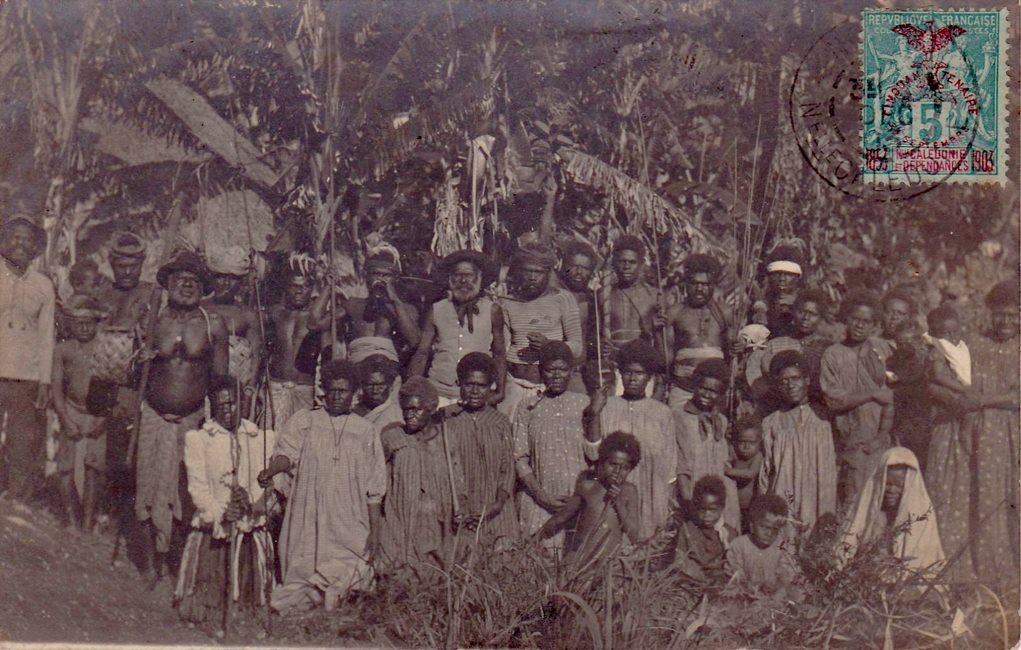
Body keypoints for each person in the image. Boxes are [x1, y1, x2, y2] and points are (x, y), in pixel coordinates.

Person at [258, 360, 386, 612]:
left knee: (352, 563)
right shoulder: (305, 421)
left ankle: (337, 603)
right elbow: (287, 455)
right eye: (332, 390)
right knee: (305, 565)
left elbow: (374, 488)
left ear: (354, 393)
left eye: (343, 391)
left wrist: (374, 530)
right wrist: (271, 470)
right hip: (310, 512)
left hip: (349, 515)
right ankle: (313, 600)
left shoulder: (366, 431)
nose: (337, 396)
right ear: (324, 391)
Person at [135, 252, 228, 582]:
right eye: (180, 280)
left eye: (194, 281)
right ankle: (150, 564)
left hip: (192, 419)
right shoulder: (152, 321)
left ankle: (176, 562)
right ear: (168, 284)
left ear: (203, 288)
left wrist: (218, 428)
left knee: (185, 491)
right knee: (147, 487)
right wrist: (140, 360)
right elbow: (133, 374)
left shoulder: (213, 325)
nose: (187, 285)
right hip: (154, 417)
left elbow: (221, 380)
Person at [175, 377, 276, 629]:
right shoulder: (200, 439)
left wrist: (250, 501)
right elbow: (198, 489)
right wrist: (221, 511)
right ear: (212, 406)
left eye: (232, 403)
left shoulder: (259, 438)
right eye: (220, 406)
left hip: (248, 527)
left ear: (242, 402)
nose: (227, 411)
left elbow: (269, 486)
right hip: (215, 530)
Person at [584, 340, 676, 539]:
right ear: (620, 374)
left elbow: (670, 469)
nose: (633, 378)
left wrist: (668, 506)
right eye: (627, 372)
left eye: (639, 373)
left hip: (651, 496)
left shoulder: (662, 413)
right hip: (614, 495)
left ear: (649, 377)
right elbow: (593, 453)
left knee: (647, 544)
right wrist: (595, 413)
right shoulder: (607, 406)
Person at [962, 281, 1019, 592]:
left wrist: (983, 400)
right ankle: (991, 574)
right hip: (983, 433)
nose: (1006, 321)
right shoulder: (976, 344)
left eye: (1013, 315)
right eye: (1000, 314)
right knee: (987, 498)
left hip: (1014, 430)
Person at [513, 341, 590, 549]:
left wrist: (579, 498)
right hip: (539, 502)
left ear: (571, 371)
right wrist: (541, 496)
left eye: (562, 370)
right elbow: (519, 458)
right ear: (541, 371)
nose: (556, 375)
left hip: (577, 501)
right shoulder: (527, 407)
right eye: (550, 370)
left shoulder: (584, 403)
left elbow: (594, 455)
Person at [820, 290, 893, 509]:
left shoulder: (882, 349)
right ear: (846, 319)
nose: (859, 325)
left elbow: (895, 388)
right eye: (855, 319)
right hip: (852, 439)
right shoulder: (833, 354)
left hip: (883, 436)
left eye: (866, 321)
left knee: (881, 499)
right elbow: (833, 400)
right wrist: (871, 394)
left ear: (875, 325)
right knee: (854, 500)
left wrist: (883, 433)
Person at [0, 211, 55, 502]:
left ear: (36, 247)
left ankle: (17, 500)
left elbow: (46, 337)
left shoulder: (44, 286)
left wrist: (45, 382)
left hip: (26, 377)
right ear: (3, 241)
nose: (20, 244)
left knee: (21, 442)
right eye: (14, 237)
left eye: (27, 239)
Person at [408, 249, 505, 407]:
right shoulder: (437, 309)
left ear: (479, 278)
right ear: (450, 279)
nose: (463, 280)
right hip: (439, 392)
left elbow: (499, 353)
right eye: (457, 275)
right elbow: (422, 352)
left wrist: (500, 391)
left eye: (469, 275)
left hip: (476, 395)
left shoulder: (492, 310)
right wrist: (412, 387)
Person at [442, 352, 518, 547]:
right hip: (461, 513)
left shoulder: (500, 422)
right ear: (459, 384)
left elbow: (508, 467)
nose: (475, 391)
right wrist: (456, 507)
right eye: (469, 384)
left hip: (497, 511)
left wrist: (497, 504)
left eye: (482, 385)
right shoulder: (447, 421)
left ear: (491, 386)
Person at [500, 243, 583, 420]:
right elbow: (502, 349)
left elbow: (577, 347)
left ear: (548, 272)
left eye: (538, 272)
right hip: (512, 385)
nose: (532, 277)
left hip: (546, 387)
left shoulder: (563, 299)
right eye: (527, 271)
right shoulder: (508, 302)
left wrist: (549, 346)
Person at [759, 351, 837, 535]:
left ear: (807, 380)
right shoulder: (772, 422)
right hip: (785, 494)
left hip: (819, 494)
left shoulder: (824, 417)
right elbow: (766, 470)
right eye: (784, 381)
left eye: (795, 378)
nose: (790, 385)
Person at [535, 431, 641, 566]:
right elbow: (560, 518)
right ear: (601, 462)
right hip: (582, 562)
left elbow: (634, 536)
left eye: (625, 468)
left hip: (609, 565)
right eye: (613, 464)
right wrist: (535, 539)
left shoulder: (629, 492)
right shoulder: (587, 488)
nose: (617, 471)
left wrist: (619, 504)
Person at [379, 377, 452, 566]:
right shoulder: (392, 437)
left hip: (433, 525)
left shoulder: (445, 440)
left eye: (415, 409)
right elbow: (375, 479)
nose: (408, 415)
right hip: (398, 523)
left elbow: (456, 483)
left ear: (431, 408)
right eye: (405, 409)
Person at [837, 447, 944, 575]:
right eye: (887, 483)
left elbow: (919, 559)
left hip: (904, 575)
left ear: (910, 484)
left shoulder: (921, 512)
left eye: (899, 485)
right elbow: (848, 540)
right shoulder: (867, 504)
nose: (892, 490)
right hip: (866, 571)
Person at [52, 295, 109, 531]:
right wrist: (65, 418)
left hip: (97, 412)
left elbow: (112, 387)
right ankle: (71, 518)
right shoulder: (63, 350)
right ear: (70, 324)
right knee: (65, 466)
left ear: (97, 323)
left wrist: (103, 418)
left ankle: (87, 521)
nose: (84, 327)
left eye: (89, 322)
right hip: (71, 409)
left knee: (93, 467)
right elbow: (56, 388)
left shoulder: (104, 349)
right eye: (79, 323)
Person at [310, 247, 420, 366]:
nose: (380, 279)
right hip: (357, 369)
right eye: (375, 274)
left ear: (396, 279)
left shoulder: (406, 309)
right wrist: (328, 286)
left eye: (386, 275)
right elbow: (314, 324)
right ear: (366, 276)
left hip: (388, 370)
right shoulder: (353, 305)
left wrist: (395, 301)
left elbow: (414, 341)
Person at [674, 358, 740, 531]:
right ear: (694, 385)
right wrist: (687, 498)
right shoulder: (679, 417)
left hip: (720, 492)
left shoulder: (721, 421)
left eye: (713, 391)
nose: (706, 394)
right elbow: (680, 464)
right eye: (703, 388)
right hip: (693, 490)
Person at [664, 253, 732, 408]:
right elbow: (666, 360)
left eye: (706, 284)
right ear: (686, 284)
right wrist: (656, 332)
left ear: (713, 285)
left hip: (715, 393)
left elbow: (732, 357)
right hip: (682, 388)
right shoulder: (674, 313)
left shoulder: (725, 313)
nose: (699, 289)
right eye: (694, 283)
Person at [202, 246, 263, 393]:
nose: (226, 283)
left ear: (241, 282)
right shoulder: (200, 308)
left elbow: (255, 356)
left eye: (233, 278)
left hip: (235, 388)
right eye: (221, 276)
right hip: (201, 384)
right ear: (212, 278)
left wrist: (250, 390)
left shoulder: (247, 314)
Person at [266, 264, 317, 429]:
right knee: (272, 434)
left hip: (304, 387)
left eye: (305, 286)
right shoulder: (276, 313)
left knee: (302, 436)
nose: (299, 291)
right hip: (276, 385)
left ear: (312, 290)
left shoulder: (316, 318)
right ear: (286, 288)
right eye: (294, 286)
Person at [669, 475, 737, 584]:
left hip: (719, 582)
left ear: (722, 508)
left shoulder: (728, 533)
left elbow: (733, 565)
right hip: (691, 580)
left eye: (712, 510)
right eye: (702, 509)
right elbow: (679, 560)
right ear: (696, 507)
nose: (706, 515)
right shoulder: (688, 529)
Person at [725, 494, 798, 594]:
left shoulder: (781, 547)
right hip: (744, 595)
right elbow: (733, 573)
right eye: (764, 527)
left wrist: (777, 584)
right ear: (752, 525)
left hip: (773, 597)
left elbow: (787, 573)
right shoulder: (739, 545)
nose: (769, 533)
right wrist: (748, 586)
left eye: (775, 529)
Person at [885, 321, 931, 468]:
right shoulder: (894, 359)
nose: (904, 347)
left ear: (919, 342)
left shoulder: (921, 360)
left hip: (919, 416)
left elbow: (908, 377)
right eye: (900, 344)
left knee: (918, 456)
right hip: (901, 416)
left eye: (908, 343)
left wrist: (896, 378)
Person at [603, 235, 659, 351]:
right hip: (613, 358)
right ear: (613, 263)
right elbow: (594, 333)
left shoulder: (655, 296)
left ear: (641, 264)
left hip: (643, 357)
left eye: (632, 262)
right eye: (621, 262)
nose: (626, 267)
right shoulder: (604, 294)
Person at [557, 240, 600, 392]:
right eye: (574, 266)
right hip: (549, 371)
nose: (579, 272)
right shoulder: (551, 293)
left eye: (585, 268)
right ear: (563, 265)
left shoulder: (593, 300)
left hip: (577, 373)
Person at [725, 415, 763, 530]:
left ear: (759, 442)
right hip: (733, 505)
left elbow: (750, 474)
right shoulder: (736, 454)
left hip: (749, 507)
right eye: (742, 442)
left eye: (751, 443)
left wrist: (729, 471)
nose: (746, 447)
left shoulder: (757, 456)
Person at [924, 304, 971, 394]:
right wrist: (964, 389)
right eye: (946, 333)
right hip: (943, 391)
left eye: (955, 332)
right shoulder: (938, 351)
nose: (953, 337)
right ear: (932, 334)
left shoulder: (957, 348)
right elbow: (939, 376)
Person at [354, 354, 403, 430]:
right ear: (362, 385)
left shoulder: (395, 417)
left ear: (390, 386)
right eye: (369, 385)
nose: (374, 391)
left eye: (380, 386)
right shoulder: (354, 409)